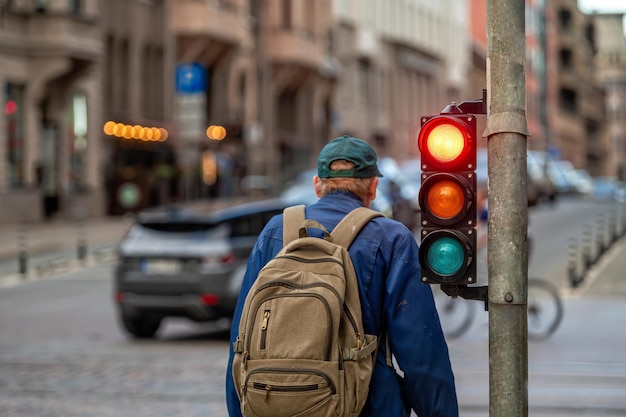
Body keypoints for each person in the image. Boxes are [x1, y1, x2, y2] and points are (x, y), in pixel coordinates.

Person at [225, 135, 458, 417]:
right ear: (373, 186)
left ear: (317, 185)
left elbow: (241, 338)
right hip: (367, 404)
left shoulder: (275, 231)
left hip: (272, 401)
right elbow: (421, 353)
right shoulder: (391, 239)